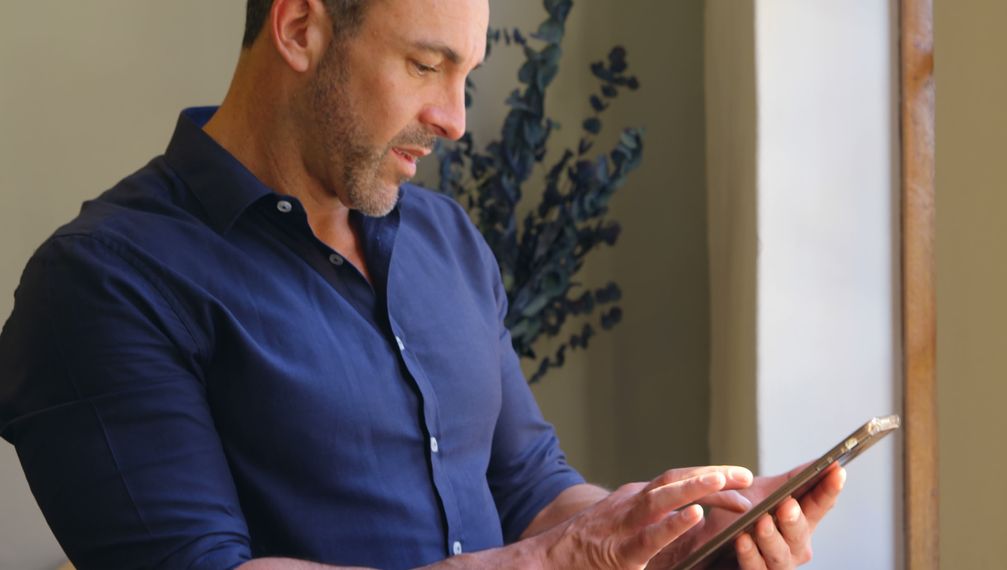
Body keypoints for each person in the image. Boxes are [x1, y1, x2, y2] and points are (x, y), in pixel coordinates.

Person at [0, 1, 845, 568]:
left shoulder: (444, 239)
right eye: (424, 65)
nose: (456, 118)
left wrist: (671, 527)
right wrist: (556, 562)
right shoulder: (102, 281)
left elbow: (529, 487)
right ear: (299, 29)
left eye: (465, 75)